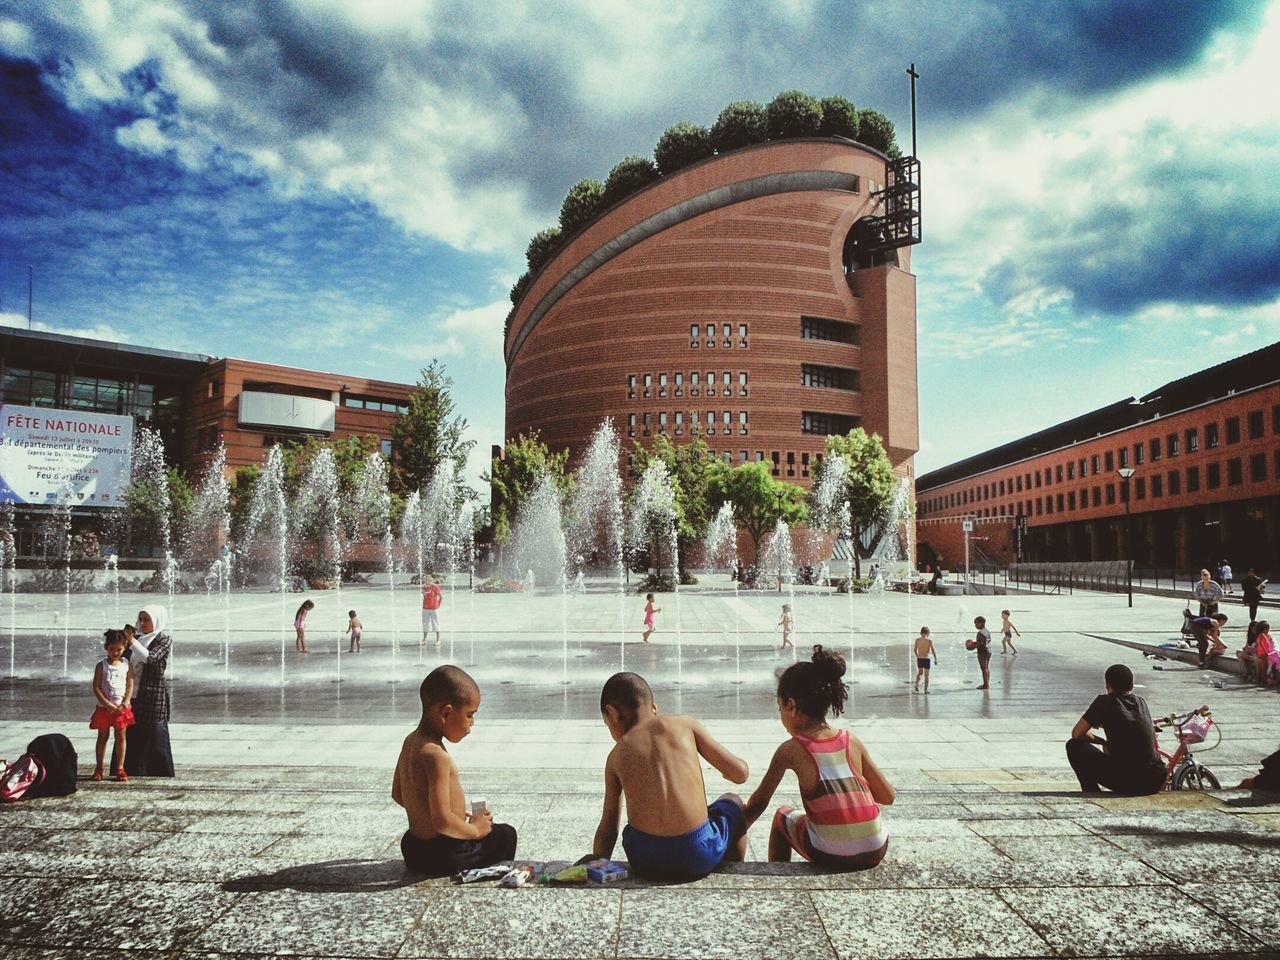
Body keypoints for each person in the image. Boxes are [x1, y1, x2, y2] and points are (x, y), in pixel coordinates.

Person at [743, 645, 893, 870]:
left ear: (791, 706)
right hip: (877, 847)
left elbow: (758, 803)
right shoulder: (851, 740)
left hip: (831, 853)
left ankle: (779, 874)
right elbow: (887, 796)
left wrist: (732, 833)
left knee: (782, 816)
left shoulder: (790, 750)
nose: (781, 716)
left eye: (779, 708)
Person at [592, 671, 749, 881]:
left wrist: (597, 862)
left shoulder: (616, 756)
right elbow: (740, 774)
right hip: (698, 856)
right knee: (732, 801)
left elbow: (609, 828)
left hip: (645, 860)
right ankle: (732, 870)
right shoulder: (685, 725)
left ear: (612, 713)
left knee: (634, 831)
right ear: (654, 709)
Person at [392, 665, 517, 876]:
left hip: (413, 848)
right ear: (446, 712)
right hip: (445, 853)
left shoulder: (411, 741)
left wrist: (451, 816)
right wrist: (474, 830)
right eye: (469, 715)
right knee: (505, 835)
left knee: (489, 832)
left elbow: (397, 794)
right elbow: (441, 821)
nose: (472, 723)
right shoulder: (436, 755)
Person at [1065, 663, 1165, 795]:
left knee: (1074, 746)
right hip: (1155, 780)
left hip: (1129, 781)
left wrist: (1102, 742)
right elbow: (1151, 735)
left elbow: (1077, 733)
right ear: (1131, 685)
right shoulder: (1141, 702)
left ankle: (1090, 791)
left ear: (1107, 685)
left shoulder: (1104, 702)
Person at [124, 605, 175, 777]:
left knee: (154, 734)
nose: (142, 623)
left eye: (147, 620)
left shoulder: (163, 639)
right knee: (132, 733)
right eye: (141, 619)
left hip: (153, 695)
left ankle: (159, 772)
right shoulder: (135, 638)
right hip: (132, 694)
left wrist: (131, 641)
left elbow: (151, 658)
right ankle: (131, 770)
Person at [90, 628, 134, 781]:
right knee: (102, 737)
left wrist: (125, 703)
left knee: (121, 737)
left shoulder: (126, 664)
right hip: (104, 708)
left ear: (125, 647)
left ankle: (120, 768)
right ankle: (99, 767)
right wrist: (107, 703)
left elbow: (130, 685)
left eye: (119, 649)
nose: (115, 653)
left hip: (121, 708)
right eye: (112, 649)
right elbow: (96, 687)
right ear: (106, 648)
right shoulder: (101, 666)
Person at [912, 627, 936, 693]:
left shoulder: (917, 640)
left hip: (920, 658)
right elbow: (933, 650)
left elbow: (914, 649)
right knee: (926, 675)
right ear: (928, 633)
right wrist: (935, 658)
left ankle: (916, 685)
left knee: (920, 673)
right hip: (926, 658)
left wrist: (917, 656)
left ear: (921, 633)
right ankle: (925, 690)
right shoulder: (929, 641)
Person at [421, 576, 442, 646]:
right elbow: (424, 596)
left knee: (435, 623)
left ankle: (438, 640)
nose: (426, 582)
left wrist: (438, 605)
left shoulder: (435, 587)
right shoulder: (424, 587)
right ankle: (424, 639)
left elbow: (441, 597)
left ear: (431, 580)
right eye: (425, 580)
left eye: (427, 580)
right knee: (425, 623)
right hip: (425, 608)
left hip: (434, 608)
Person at [973, 616, 993, 689]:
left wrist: (972, 646)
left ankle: (986, 685)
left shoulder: (980, 633)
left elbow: (980, 643)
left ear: (981, 623)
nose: (975, 625)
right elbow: (989, 640)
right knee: (986, 668)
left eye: (976, 623)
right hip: (988, 651)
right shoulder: (986, 631)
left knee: (984, 668)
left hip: (983, 652)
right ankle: (986, 683)